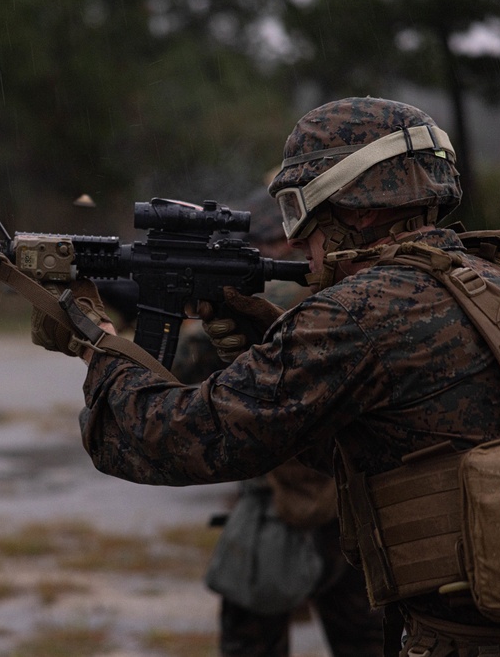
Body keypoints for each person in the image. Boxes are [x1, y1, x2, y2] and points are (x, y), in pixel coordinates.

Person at [25, 97, 500, 655]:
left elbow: (177, 439)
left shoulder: (359, 312)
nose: (297, 239)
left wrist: (94, 342)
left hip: (465, 642)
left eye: (302, 210)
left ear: (361, 208)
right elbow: (389, 438)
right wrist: (266, 338)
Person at [172, 186, 383, 657]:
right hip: (349, 496)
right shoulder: (348, 290)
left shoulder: (283, 293)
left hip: (282, 505)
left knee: (251, 632)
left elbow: (183, 372)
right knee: (367, 636)